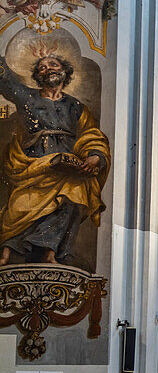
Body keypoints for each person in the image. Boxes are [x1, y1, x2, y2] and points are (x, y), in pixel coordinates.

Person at [0, 54, 110, 266]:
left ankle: (51, 254)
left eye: (53, 64)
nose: (48, 68)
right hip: (32, 164)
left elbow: (91, 133)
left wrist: (96, 155)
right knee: (20, 204)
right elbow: (6, 82)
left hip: (66, 168)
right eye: (42, 67)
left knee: (74, 196)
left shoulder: (75, 106)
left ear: (64, 71)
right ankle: (6, 254)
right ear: (37, 76)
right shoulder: (27, 97)